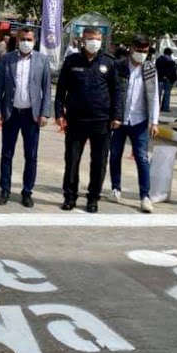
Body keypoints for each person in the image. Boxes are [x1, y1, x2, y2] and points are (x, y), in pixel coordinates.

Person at [55, 26, 121, 213]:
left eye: (98, 39)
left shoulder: (109, 62)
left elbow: (116, 91)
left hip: (101, 120)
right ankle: (70, 197)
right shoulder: (72, 61)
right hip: (76, 119)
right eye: (91, 39)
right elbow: (61, 90)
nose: (94, 43)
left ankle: (93, 198)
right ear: (83, 40)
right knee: (72, 160)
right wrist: (59, 113)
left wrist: (117, 115)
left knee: (99, 162)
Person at [0, 27, 52, 208]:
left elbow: (47, 89)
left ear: (34, 41)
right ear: (17, 40)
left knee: (31, 156)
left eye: (29, 39)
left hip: (31, 116)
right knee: (7, 154)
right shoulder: (7, 59)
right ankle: (5, 190)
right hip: (11, 114)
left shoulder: (42, 60)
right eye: (23, 39)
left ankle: (27, 192)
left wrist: (45, 113)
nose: (26, 42)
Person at [109, 34, 159, 213]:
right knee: (115, 155)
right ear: (131, 48)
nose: (142, 54)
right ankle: (116, 188)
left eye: (145, 51)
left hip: (139, 121)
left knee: (142, 158)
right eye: (139, 50)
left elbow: (154, 97)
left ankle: (145, 196)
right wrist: (112, 116)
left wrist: (154, 122)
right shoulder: (119, 66)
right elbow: (112, 92)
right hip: (119, 120)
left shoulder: (150, 69)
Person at [155, 47, 177, 112]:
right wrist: (168, 76)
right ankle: (165, 108)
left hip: (159, 79)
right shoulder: (171, 61)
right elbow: (172, 71)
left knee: (158, 95)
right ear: (169, 53)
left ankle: (157, 107)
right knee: (167, 94)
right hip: (167, 79)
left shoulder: (158, 59)